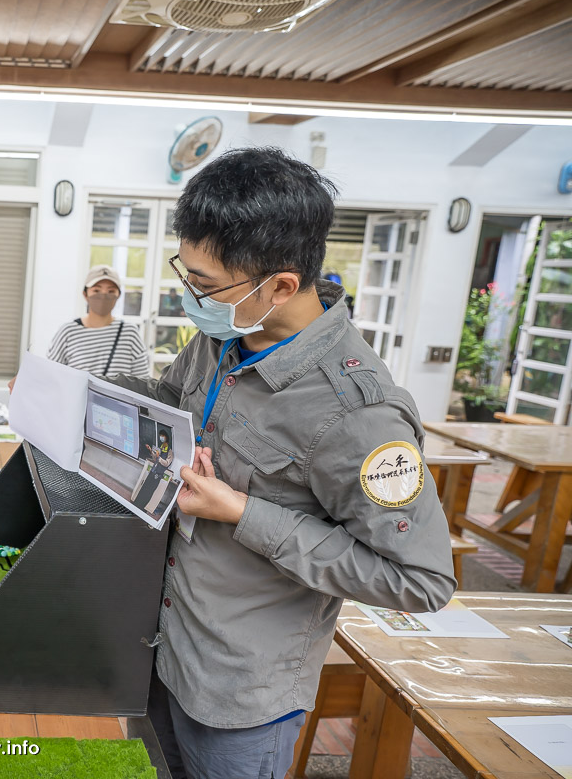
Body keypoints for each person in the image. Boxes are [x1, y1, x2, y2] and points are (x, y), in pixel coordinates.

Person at [108, 147, 455, 779]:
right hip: (162, 642)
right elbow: (171, 401)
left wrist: (239, 510)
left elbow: (420, 581)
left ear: (283, 285)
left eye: (206, 286)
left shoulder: (358, 414)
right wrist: (95, 398)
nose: (192, 298)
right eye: (186, 276)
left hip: (239, 690)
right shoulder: (226, 336)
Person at [46, 265, 151, 378]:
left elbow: (142, 381)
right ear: (85, 294)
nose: (103, 295)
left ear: (118, 295)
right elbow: (51, 376)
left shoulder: (129, 333)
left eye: (111, 291)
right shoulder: (68, 332)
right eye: (96, 290)